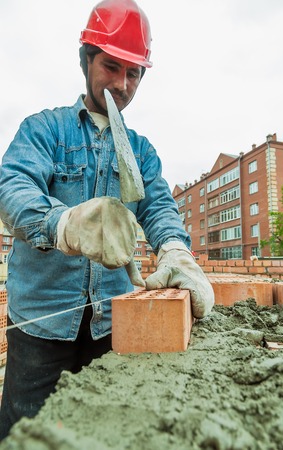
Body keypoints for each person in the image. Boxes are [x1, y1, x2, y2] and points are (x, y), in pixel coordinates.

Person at [0, 0, 214, 440]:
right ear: (86, 61)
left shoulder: (141, 150)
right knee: (26, 436)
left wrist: (175, 250)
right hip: (41, 327)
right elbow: (12, 188)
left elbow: (157, 208)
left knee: (103, 436)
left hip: (112, 325)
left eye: (133, 73)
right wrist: (62, 224)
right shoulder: (44, 130)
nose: (121, 83)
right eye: (111, 66)